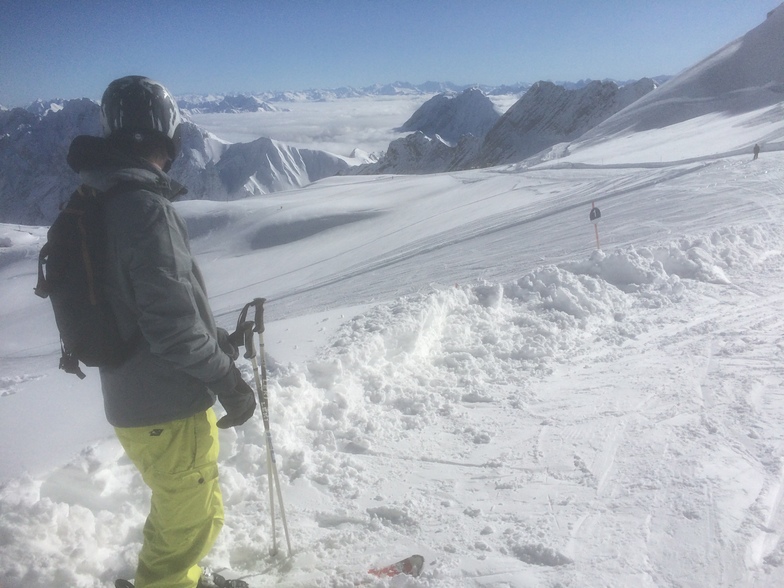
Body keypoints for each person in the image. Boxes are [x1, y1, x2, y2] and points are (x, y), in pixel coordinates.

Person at [66, 76, 257, 588]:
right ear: (167, 134)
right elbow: (170, 326)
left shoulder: (104, 197)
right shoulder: (144, 208)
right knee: (189, 517)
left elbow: (147, 303)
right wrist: (228, 379)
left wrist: (210, 336)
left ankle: (180, 578)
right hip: (166, 402)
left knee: (187, 509)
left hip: (137, 397)